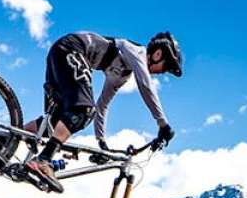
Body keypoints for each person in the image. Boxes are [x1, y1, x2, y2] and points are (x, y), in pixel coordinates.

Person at [23, 31, 182, 184]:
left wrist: (101, 142)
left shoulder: (122, 74)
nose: (163, 73)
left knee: (58, 122)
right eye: (166, 67)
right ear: (158, 54)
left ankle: (5, 140)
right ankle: (43, 160)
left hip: (61, 53)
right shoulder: (137, 51)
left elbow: (102, 106)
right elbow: (145, 86)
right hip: (72, 49)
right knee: (83, 111)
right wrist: (163, 125)